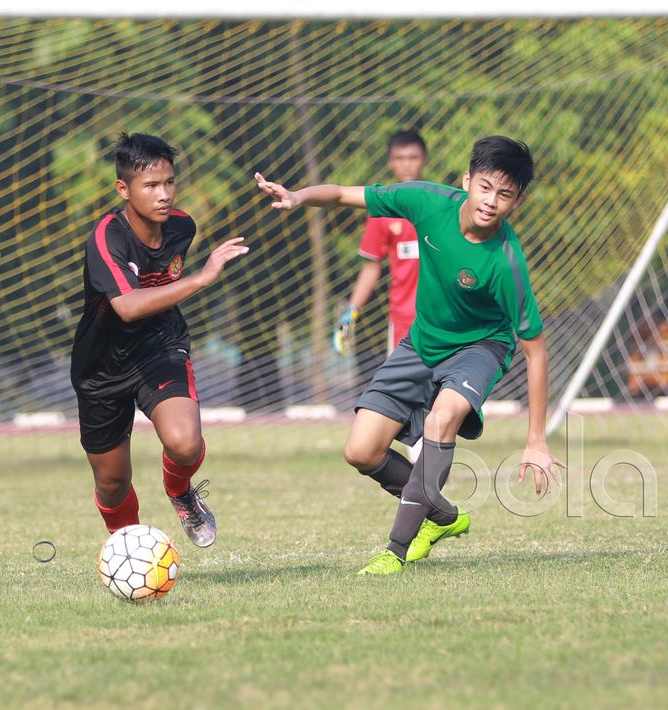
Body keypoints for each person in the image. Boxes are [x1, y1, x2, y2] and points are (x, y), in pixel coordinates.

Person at [255, 135, 561, 574]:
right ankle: (439, 516)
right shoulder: (426, 201)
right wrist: (298, 196)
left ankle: (395, 551)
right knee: (360, 451)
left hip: (479, 348)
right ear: (467, 180)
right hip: (420, 343)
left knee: (442, 419)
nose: (492, 202)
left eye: (505, 195)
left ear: (517, 201)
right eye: (486, 187)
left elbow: (536, 351)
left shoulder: (506, 262)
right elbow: (345, 194)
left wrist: (535, 440)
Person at [71, 133, 248, 548]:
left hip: (159, 347)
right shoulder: (106, 237)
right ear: (124, 189)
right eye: (151, 186)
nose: (164, 194)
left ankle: (180, 492)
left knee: (185, 443)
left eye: (169, 182)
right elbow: (128, 306)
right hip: (101, 366)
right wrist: (201, 278)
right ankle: (130, 547)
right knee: (113, 483)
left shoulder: (182, 227)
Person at [334, 129, 428, 356]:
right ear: (390, 163)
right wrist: (351, 312)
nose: (406, 165)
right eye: (399, 158)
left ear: (424, 160)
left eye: (413, 158)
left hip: (445, 317)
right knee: (405, 389)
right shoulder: (382, 210)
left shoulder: (441, 203)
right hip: (404, 320)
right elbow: (370, 267)